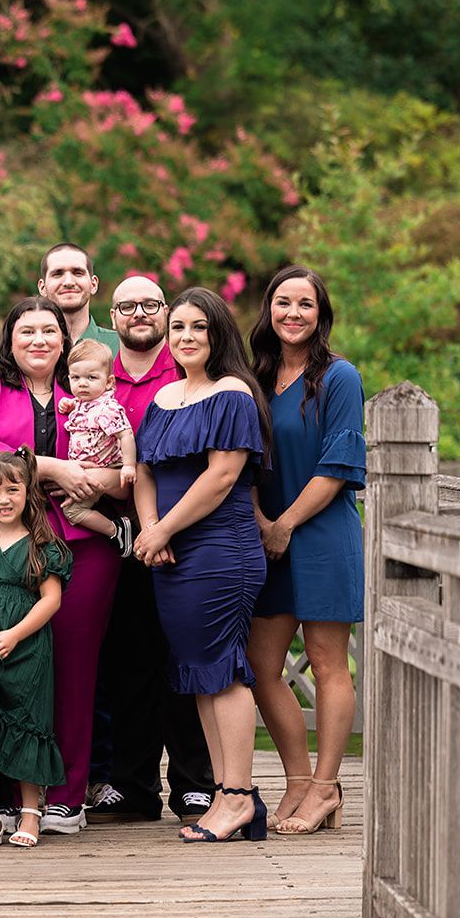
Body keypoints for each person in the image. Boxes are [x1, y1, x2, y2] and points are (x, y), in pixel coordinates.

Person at [0, 297, 123, 836]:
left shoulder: (87, 386)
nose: (39, 340)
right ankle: (3, 797)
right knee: (5, 665)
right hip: (4, 542)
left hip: (80, 538)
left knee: (71, 666)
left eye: (50, 330)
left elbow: (123, 461)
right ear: (10, 339)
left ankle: (66, 796)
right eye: (26, 331)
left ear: (64, 338)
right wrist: (49, 466)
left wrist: (95, 480)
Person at [132, 286, 271, 844]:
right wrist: (149, 528)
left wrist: (165, 527)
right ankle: (225, 794)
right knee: (198, 672)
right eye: (178, 328)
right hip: (169, 551)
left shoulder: (232, 393)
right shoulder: (164, 397)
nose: (186, 338)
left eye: (198, 328)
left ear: (218, 335)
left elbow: (220, 478)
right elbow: (143, 470)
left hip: (220, 550)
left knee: (222, 668)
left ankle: (239, 795)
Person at [88, 274, 215, 826]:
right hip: (114, 539)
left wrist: (160, 529)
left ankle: (193, 783)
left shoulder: (188, 370)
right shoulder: (94, 375)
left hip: (187, 536)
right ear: (110, 317)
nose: (138, 314)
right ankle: (132, 785)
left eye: (150, 305)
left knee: (183, 658)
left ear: (164, 313)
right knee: (128, 664)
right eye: (126, 307)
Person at [246, 266, 365, 835]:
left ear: (322, 314)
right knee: (262, 666)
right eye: (283, 302)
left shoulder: (339, 378)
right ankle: (297, 779)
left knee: (325, 662)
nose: (293, 313)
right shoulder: (255, 377)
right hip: (265, 534)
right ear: (268, 309)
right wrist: (261, 522)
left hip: (319, 533)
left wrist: (285, 524)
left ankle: (326, 786)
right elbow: (238, 458)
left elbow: (339, 467)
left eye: (306, 304)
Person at [0, 449, 71, 850]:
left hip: (26, 649)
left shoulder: (41, 542)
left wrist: (17, 633)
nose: (3, 499)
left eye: (12, 489)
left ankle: (29, 813)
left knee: (27, 723)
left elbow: (50, 599)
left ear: (28, 491)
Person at [56, 338, 137, 553]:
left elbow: (126, 435)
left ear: (109, 382)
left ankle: (116, 529)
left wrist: (129, 466)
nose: (82, 383)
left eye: (91, 378)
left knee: (72, 512)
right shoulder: (85, 402)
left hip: (107, 468)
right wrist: (69, 404)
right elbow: (82, 409)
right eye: (76, 377)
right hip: (90, 467)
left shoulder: (107, 409)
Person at [38, 242, 121, 350]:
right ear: (42, 287)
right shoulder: (30, 349)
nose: (68, 282)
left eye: (78, 273)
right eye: (58, 274)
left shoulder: (122, 347)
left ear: (93, 284)